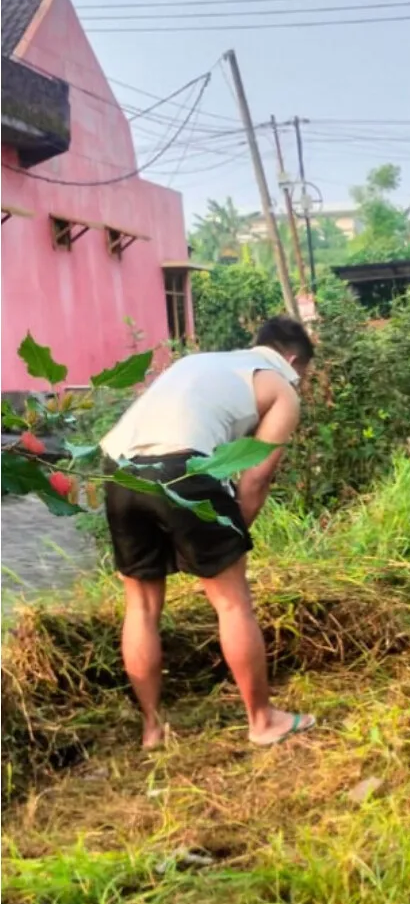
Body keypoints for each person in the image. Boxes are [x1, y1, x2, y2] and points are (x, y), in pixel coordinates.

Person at [99, 316, 318, 750]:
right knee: (232, 601)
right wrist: (229, 542)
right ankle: (262, 721)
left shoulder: (204, 362)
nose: (302, 383)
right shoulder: (282, 387)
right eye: (305, 375)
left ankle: (152, 729)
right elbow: (255, 479)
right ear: (293, 360)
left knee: (140, 606)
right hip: (182, 463)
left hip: (118, 467)